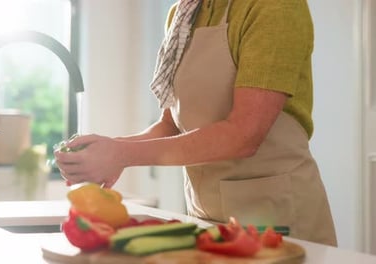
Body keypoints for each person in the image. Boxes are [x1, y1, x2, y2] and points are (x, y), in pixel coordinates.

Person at [54, 0, 337, 246]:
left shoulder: (274, 6)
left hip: (279, 216)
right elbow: (171, 124)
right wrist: (108, 150)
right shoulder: (182, 13)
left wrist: (121, 155)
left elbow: (244, 135)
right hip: (206, 217)